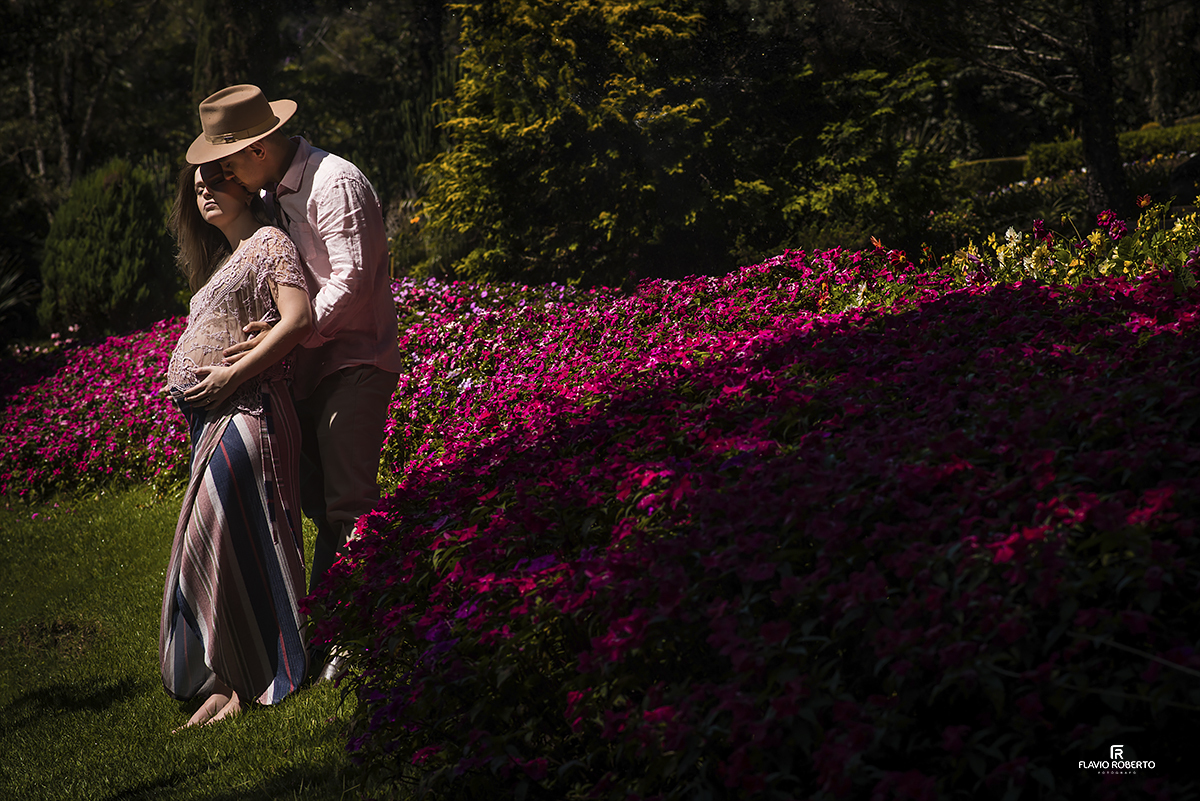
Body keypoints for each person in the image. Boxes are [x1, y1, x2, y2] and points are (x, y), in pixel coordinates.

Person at [186, 85, 403, 680]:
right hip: (306, 367)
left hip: (355, 362)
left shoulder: (336, 183)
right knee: (321, 507)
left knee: (350, 504)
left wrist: (287, 332)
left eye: (224, 158)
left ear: (254, 149)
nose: (219, 171)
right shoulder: (272, 193)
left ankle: (357, 637)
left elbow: (351, 282)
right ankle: (322, 629)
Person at [159, 160, 312, 727]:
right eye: (197, 187)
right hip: (216, 420)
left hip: (254, 411)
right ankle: (226, 683)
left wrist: (233, 374)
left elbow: (298, 319)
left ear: (244, 184)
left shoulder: (268, 242)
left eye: (217, 180)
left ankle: (260, 672)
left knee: (229, 532)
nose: (206, 192)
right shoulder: (224, 262)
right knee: (219, 540)